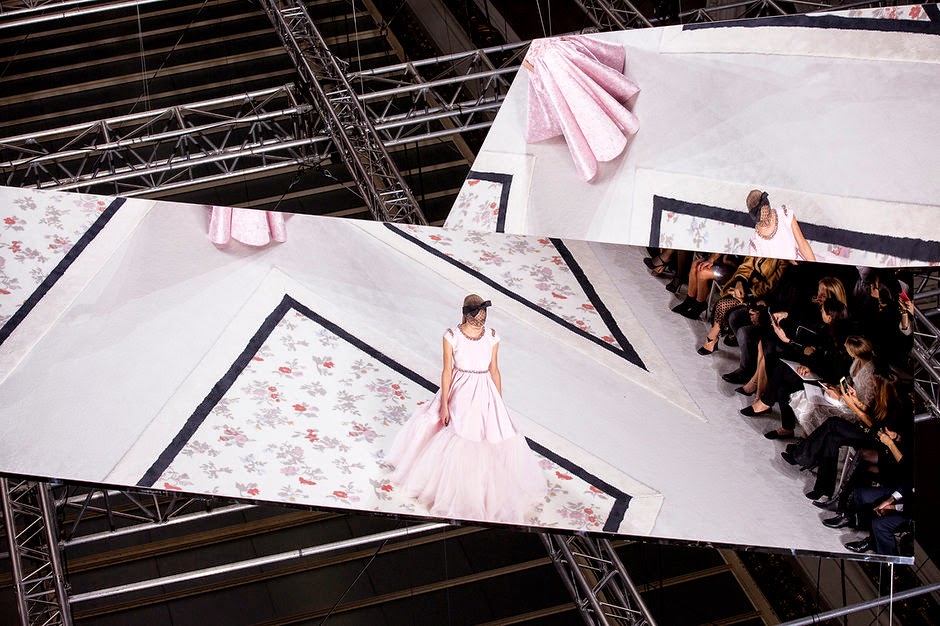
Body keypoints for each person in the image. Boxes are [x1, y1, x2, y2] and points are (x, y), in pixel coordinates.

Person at [387, 295, 546, 523]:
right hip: (460, 390)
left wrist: (498, 401)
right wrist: (444, 404)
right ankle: (451, 488)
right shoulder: (452, 336)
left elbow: (494, 370)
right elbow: (447, 371)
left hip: (484, 389)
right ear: (466, 315)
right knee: (460, 434)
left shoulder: (492, 336)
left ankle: (484, 488)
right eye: (475, 319)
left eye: (482, 319)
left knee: (490, 437)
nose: (479, 323)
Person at [746, 190, 816, 261]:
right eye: (762, 223)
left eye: (769, 216)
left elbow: (802, 244)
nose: (767, 222)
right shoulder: (755, 244)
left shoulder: (784, 215)